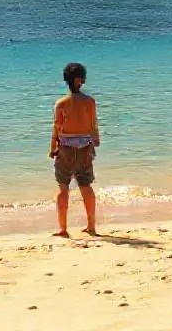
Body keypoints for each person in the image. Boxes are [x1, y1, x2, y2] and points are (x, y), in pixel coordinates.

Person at [50, 62, 99, 237]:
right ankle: (91, 225)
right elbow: (93, 125)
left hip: (65, 148)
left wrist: (52, 148)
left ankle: (63, 228)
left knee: (63, 187)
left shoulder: (61, 103)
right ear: (82, 80)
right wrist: (95, 141)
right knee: (86, 185)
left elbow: (57, 128)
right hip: (85, 147)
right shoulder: (90, 102)